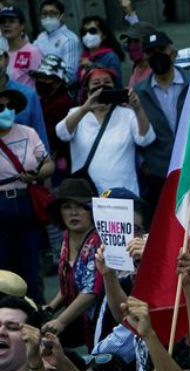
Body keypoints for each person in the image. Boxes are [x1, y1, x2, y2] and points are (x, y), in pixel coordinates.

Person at [57, 68, 155, 195]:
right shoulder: (77, 113)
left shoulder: (128, 114)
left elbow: (146, 139)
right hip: (86, 193)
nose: (102, 86)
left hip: (122, 192)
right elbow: (62, 133)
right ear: (87, 91)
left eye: (107, 82)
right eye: (96, 83)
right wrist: (85, 108)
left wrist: (137, 107)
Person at [0, 87, 52, 304]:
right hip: (1, 204)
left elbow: (48, 164)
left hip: (26, 202)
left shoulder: (28, 133)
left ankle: (35, 318)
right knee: (3, 268)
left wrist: (36, 174)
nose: (6, 111)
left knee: (31, 265)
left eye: (10, 106)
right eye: (1, 107)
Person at [43, 178, 102, 349]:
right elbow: (70, 280)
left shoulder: (97, 241)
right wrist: (51, 307)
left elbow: (90, 290)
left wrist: (61, 320)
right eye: (66, 207)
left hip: (98, 320)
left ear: (91, 210)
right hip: (77, 316)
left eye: (81, 206)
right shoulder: (67, 236)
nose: (73, 212)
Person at [134, 31, 189, 211]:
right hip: (158, 173)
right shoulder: (138, 92)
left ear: (172, 52)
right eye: (151, 52)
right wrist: (143, 162)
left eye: (161, 49)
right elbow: (134, 128)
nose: (157, 55)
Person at [32, 0, 80, 84]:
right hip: (40, 88)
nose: (48, 17)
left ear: (62, 16)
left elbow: (70, 76)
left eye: (53, 13)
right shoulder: (41, 37)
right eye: (44, 13)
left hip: (61, 91)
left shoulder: (69, 39)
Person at [1, 6, 42, 88]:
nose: (6, 25)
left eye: (11, 21)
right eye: (2, 22)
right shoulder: (2, 53)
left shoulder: (33, 51)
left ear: (22, 26)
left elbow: (41, 84)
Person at [79, 15, 125, 86]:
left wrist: (91, 66)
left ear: (103, 35)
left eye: (92, 31)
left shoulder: (110, 57)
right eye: (84, 32)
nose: (87, 35)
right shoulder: (84, 56)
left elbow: (115, 83)